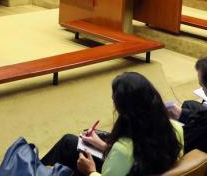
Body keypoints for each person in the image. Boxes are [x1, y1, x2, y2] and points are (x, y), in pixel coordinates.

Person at [42, 72, 183, 175]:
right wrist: (103, 146)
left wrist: (90, 171)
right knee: (68, 142)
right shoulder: (176, 128)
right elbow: (141, 153)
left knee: (73, 161)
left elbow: (125, 156)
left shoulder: (123, 150)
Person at [167, 53, 207, 156]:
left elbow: (182, 144)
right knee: (190, 104)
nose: (202, 89)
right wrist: (182, 114)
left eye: (202, 86)